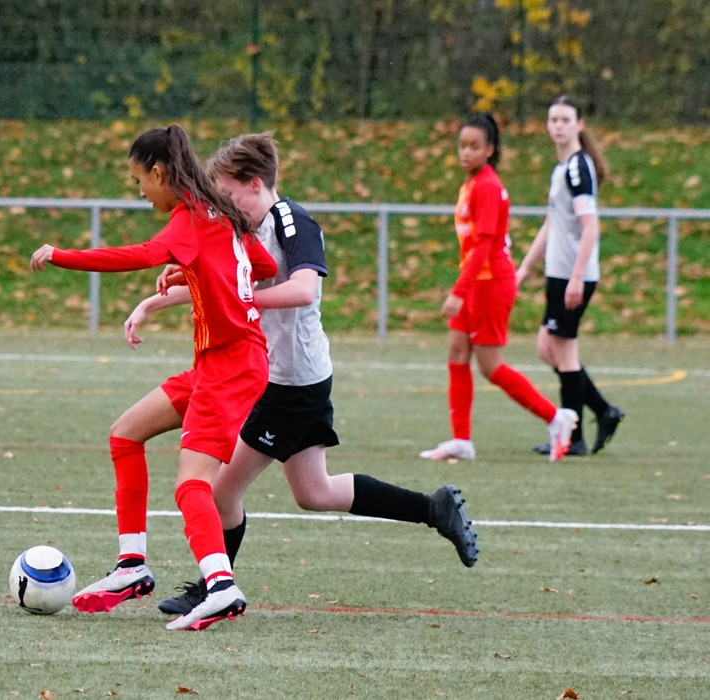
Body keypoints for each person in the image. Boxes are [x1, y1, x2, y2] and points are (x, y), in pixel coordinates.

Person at [120, 133, 480, 618]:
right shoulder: (246, 228)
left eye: (227, 195)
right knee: (315, 492)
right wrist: (154, 301)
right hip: (293, 378)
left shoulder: (293, 221)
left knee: (220, 490)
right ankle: (433, 508)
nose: (222, 205)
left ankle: (214, 589)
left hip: (287, 382)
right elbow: (227, 283)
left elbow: (303, 289)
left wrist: (240, 302)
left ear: (253, 184)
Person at [29, 124, 276, 631]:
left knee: (192, 486)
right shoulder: (220, 214)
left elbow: (137, 256)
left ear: (160, 172)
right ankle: (132, 566)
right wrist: (190, 271)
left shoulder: (189, 218)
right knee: (126, 434)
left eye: (140, 180)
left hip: (229, 366)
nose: (140, 192)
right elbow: (263, 263)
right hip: (224, 362)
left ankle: (222, 587)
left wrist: (61, 256)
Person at [420, 113, 578, 463]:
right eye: (462, 145)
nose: (466, 152)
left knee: (492, 367)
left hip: (490, 285)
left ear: (490, 150)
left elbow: (485, 247)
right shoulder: (473, 184)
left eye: (475, 146)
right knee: (457, 354)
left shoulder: (488, 186)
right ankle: (461, 440)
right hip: (476, 282)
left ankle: (557, 417)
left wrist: (458, 291)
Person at [516, 95, 625, 456]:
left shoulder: (579, 168)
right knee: (549, 348)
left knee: (562, 353)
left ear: (579, 125)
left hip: (572, 276)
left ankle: (573, 437)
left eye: (565, 119)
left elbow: (591, 227)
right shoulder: (561, 168)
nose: (558, 125)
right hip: (558, 274)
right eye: (553, 119)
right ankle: (603, 411)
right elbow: (552, 223)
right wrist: (526, 267)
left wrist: (577, 277)